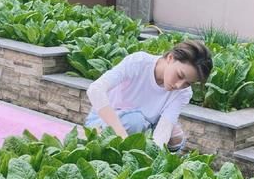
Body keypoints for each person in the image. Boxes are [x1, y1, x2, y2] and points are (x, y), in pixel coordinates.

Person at [84, 39, 213, 152]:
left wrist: (152, 158)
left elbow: (164, 128)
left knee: (176, 138)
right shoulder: (139, 63)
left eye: (188, 83)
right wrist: (122, 135)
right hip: (105, 122)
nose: (179, 85)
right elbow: (95, 90)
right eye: (180, 75)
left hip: (147, 126)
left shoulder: (184, 92)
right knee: (135, 121)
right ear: (170, 58)